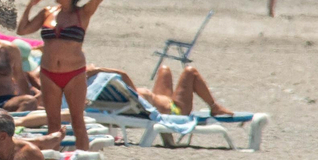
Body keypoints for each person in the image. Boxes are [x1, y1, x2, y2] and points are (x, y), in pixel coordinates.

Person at [17, 0, 104, 151]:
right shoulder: (48, 12)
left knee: (77, 122)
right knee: (53, 124)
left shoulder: (82, 13)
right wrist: (30, 5)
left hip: (74, 74)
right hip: (49, 74)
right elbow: (23, 30)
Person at [88, 63, 233, 117]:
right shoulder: (128, 93)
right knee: (190, 72)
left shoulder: (112, 91)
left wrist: (94, 71)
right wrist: (99, 69)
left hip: (160, 100)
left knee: (164, 70)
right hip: (176, 110)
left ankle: (215, 106)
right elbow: (123, 74)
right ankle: (214, 107)